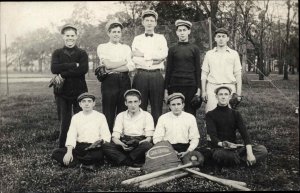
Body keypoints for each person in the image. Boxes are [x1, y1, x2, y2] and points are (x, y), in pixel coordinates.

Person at [206, 86, 268, 167]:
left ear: (230, 97)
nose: (223, 97)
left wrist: (249, 153)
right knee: (219, 155)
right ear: (216, 97)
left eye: (226, 94)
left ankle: (236, 161)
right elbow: (213, 137)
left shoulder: (235, 114)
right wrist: (223, 144)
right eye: (220, 94)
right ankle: (242, 162)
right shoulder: (210, 114)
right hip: (220, 148)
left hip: (235, 148)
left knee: (262, 150)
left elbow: (245, 134)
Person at [51, 24, 89, 148]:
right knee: (64, 120)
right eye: (67, 35)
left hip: (80, 91)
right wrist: (73, 64)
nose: (70, 38)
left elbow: (83, 70)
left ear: (76, 37)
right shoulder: (57, 52)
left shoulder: (82, 53)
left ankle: (81, 145)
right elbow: (53, 68)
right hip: (62, 91)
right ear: (63, 36)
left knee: (81, 118)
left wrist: (62, 73)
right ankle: (63, 147)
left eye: (72, 35)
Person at [51, 93, 111, 169]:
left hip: (94, 147)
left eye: (89, 101)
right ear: (80, 104)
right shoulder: (76, 117)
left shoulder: (100, 116)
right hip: (79, 147)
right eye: (84, 101)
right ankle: (84, 165)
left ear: (93, 104)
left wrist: (99, 145)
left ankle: (77, 163)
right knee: (56, 153)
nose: (86, 104)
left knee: (98, 155)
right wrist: (69, 152)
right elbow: (71, 135)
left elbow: (106, 135)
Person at [96, 20, 135, 132]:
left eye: (118, 32)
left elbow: (131, 66)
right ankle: (107, 138)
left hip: (124, 80)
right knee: (108, 111)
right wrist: (123, 62)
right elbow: (107, 64)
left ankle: (120, 136)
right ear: (109, 33)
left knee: (123, 110)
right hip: (109, 81)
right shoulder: (102, 47)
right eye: (114, 32)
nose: (116, 34)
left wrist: (111, 68)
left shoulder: (126, 48)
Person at [131, 9, 168, 125]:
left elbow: (163, 54)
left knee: (157, 106)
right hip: (140, 75)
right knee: (140, 106)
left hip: (156, 75)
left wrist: (143, 54)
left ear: (156, 23)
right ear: (142, 22)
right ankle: (140, 134)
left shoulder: (161, 38)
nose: (149, 23)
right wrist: (153, 59)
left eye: (152, 20)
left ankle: (156, 134)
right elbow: (135, 58)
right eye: (147, 20)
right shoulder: (137, 39)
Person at [102, 89, 154, 167]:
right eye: (130, 102)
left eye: (135, 101)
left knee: (148, 145)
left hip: (139, 143)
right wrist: (121, 144)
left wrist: (138, 143)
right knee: (106, 146)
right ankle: (132, 161)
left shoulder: (147, 115)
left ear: (140, 102)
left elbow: (149, 138)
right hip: (125, 142)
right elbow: (115, 137)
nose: (133, 105)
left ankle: (123, 160)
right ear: (125, 103)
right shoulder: (121, 115)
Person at [164, 19, 201, 116]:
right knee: (175, 112)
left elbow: (198, 70)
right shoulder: (172, 49)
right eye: (180, 30)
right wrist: (166, 89)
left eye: (184, 30)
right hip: (175, 85)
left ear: (189, 31)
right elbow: (168, 69)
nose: (182, 33)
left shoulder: (195, 49)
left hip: (190, 85)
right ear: (176, 32)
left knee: (190, 112)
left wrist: (199, 89)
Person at [201, 27, 242, 113]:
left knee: (229, 116)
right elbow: (204, 74)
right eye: (218, 36)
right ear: (215, 38)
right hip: (212, 87)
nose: (221, 39)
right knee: (211, 113)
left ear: (227, 38)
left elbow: (238, 75)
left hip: (229, 87)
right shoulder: (209, 54)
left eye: (223, 36)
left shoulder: (234, 54)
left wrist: (238, 94)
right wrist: (204, 91)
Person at [153, 93, 201, 159]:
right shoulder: (163, 118)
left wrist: (188, 150)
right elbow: (156, 138)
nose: (176, 107)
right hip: (168, 148)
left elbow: (195, 138)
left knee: (195, 158)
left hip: (185, 148)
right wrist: (169, 150)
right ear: (169, 106)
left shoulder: (190, 117)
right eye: (173, 104)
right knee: (164, 161)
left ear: (183, 105)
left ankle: (185, 164)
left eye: (178, 104)